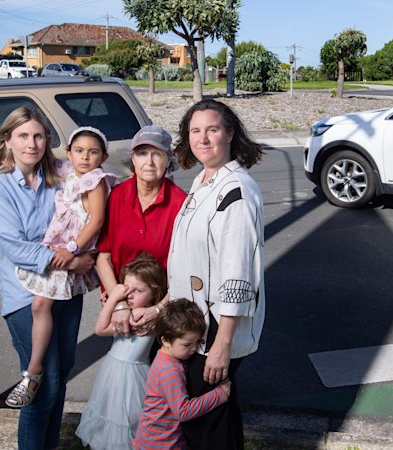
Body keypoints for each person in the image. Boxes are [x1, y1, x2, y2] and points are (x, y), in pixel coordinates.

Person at [0, 106, 95, 449]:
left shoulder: (58, 177)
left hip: (65, 293)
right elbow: (17, 249)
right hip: (24, 298)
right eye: (23, 136)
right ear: (7, 140)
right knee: (44, 383)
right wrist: (73, 262)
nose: (32, 143)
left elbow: (91, 186)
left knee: (60, 379)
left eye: (39, 136)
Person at [165, 98, 266, 449]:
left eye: (212, 129)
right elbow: (189, 257)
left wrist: (221, 346)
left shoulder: (236, 191)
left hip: (212, 336)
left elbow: (237, 275)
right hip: (193, 325)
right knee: (213, 422)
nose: (203, 139)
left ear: (230, 133)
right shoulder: (204, 180)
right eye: (195, 130)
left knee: (209, 427)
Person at [6, 126, 111, 408]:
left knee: (41, 305)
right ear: (69, 154)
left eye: (93, 152)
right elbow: (39, 159)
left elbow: (97, 221)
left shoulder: (95, 181)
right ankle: (35, 370)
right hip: (58, 246)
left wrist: (73, 249)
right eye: (79, 151)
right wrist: (9, 156)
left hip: (74, 247)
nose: (85, 157)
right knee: (41, 306)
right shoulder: (68, 171)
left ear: (103, 156)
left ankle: (33, 371)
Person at [96, 125, 187, 336]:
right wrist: (118, 304)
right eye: (142, 153)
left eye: (157, 154)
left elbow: (186, 270)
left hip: (165, 310)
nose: (149, 161)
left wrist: (158, 310)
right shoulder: (117, 196)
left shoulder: (181, 204)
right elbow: (104, 258)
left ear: (169, 160)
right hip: (121, 307)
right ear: (133, 159)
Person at [76, 253, 167, 450]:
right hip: (121, 370)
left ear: (154, 291)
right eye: (126, 289)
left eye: (138, 290)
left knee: (120, 416)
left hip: (126, 375)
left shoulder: (139, 316)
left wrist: (113, 300)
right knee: (121, 417)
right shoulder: (145, 313)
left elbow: (100, 329)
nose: (130, 295)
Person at [132, 300, 232, 450]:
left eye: (197, 342)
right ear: (165, 340)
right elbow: (183, 411)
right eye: (187, 344)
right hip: (159, 443)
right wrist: (219, 395)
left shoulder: (165, 358)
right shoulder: (169, 371)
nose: (193, 349)